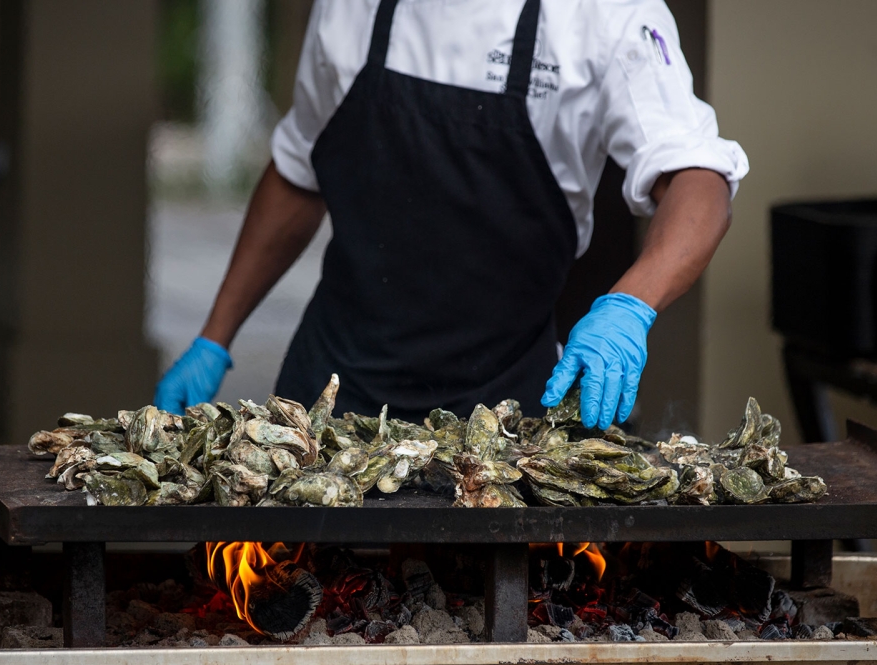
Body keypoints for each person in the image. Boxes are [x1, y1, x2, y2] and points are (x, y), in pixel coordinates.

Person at [155, 0, 748, 429]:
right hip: (332, 395)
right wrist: (214, 336)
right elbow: (297, 171)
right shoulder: (348, 8)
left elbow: (698, 178)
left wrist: (630, 306)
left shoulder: (605, 16)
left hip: (508, 408)